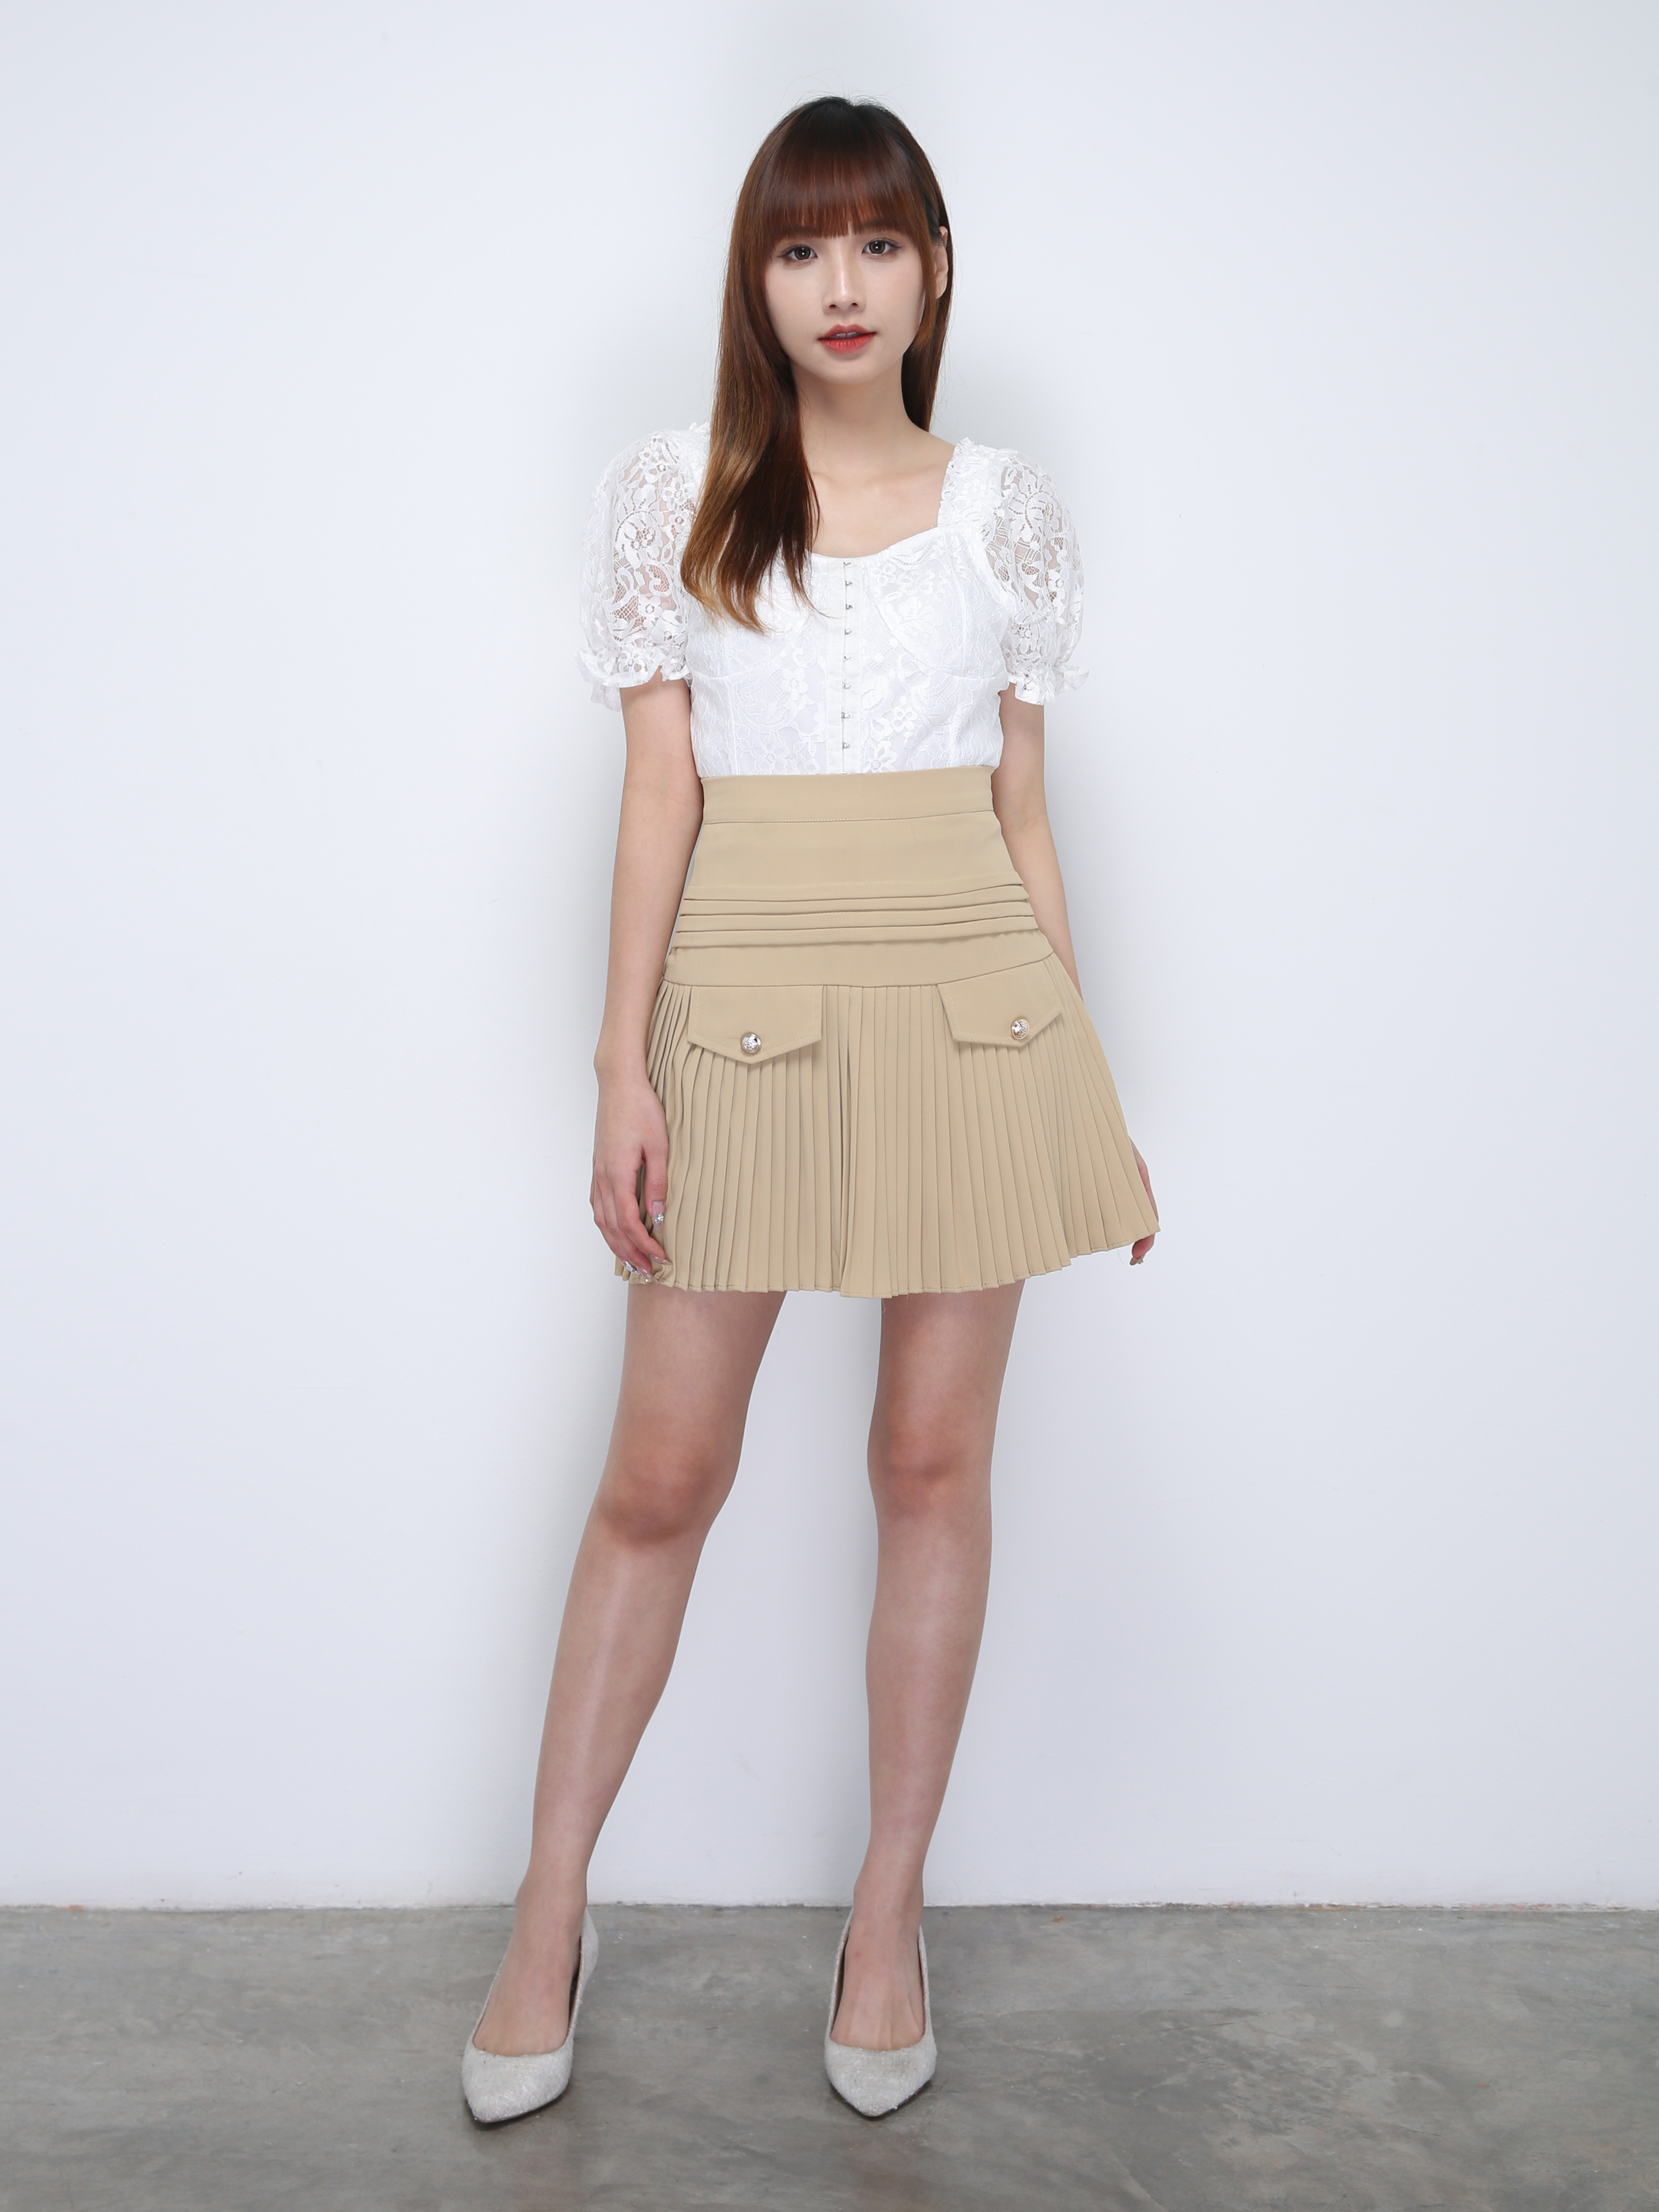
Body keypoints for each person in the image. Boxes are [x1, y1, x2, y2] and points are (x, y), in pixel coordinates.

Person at [462, 94, 1158, 2126]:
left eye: (876, 243)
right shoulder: (673, 490)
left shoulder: (1007, 506)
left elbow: (1025, 815)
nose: (840, 286)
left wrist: (1090, 1089)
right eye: (799, 246)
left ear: (934, 271)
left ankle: (885, 1917)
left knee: (930, 1464)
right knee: (660, 1476)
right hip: (744, 1000)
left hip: (974, 999)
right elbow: (657, 796)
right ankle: (548, 1914)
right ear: (753, 280)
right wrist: (621, 1068)